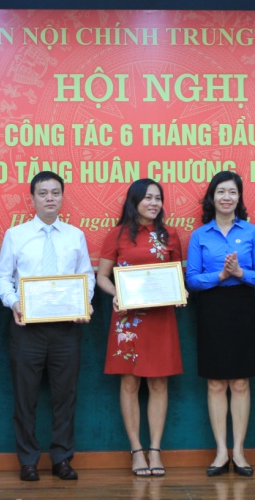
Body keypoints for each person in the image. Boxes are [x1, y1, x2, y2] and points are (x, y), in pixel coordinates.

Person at [0, 171, 95, 482]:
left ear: (62, 197)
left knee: (65, 396)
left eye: (55, 192)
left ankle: (62, 459)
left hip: (66, 328)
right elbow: (3, 277)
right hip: (27, 328)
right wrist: (14, 303)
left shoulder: (75, 235)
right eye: (43, 193)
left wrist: (84, 302)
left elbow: (86, 275)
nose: (49, 198)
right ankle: (28, 461)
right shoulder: (16, 235)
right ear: (33, 198)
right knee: (25, 398)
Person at [95, 179, 184, 477]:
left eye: (158, 198)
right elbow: (102, 277)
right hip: (128, 319)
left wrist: (180, 291)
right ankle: (136, 450)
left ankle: (155, 450)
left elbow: (176, 276)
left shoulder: (170, 235)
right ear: (134, 201)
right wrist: (116, 293)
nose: (154, 203)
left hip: (161, 319)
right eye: (147, 198)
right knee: (130, 384)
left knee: (159, 384)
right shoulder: (117, 235)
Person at [186, 171, 255, 477]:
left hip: (242, 308)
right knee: (216, 382)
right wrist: (220, 276)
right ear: (212, 197)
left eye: (232, 192)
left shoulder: (252, 232)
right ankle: (221, 452)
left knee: (240, 382)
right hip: (211, 309)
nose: (226, 197)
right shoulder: (200, 235)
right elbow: (192, 280)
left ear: (239, 198)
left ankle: (239, 452)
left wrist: (240, 273)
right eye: (221, 191)